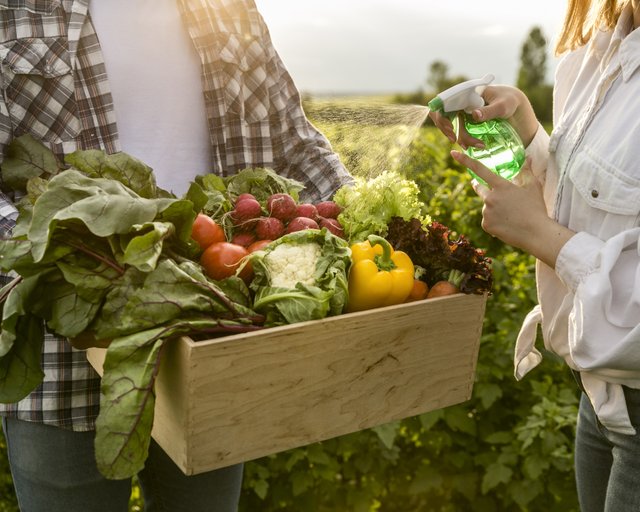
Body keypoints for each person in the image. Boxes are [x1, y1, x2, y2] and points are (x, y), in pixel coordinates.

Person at [0, 1, 352, 511]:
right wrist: (67, 257)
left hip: (214, 334)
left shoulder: (230, 9)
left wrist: (369, 214)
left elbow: (296, 146)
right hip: (67, 349)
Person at [430, 0, 640, 510]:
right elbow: (603, 207)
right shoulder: (603, 48)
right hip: (603, 401)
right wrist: (529, 135)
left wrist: (540, 236)